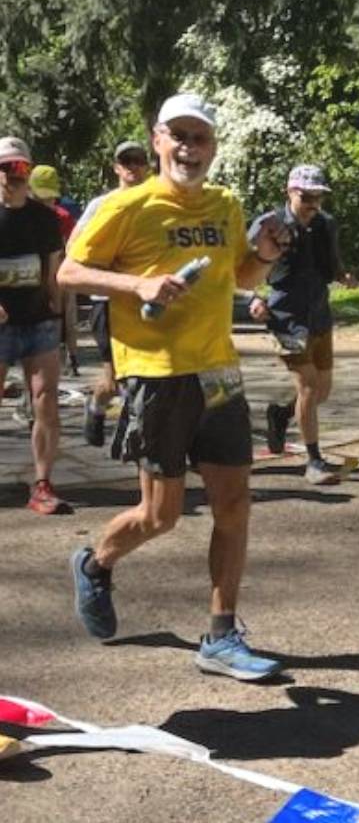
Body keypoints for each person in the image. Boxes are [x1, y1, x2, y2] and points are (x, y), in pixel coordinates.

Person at [59, 93, 289, 680]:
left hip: (218, 372)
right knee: (161, 515)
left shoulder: (225, 204)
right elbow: (68, 272)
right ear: (157, 140)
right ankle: (95, 563)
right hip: (156, 376)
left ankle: (221, 636)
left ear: (213, 147)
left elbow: (239, 275)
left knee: (234, 504)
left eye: (200, 138)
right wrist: (137, 285)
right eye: (178, 136)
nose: (189, 148)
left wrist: (264, 255)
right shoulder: (125, 205)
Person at [249, 165, 356, 485]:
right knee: (307, 386)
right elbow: (242, 267)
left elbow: (333, 264)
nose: (313, 204)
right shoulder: (269, 225)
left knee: (321, 391)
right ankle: (314, 461)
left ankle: (281, 414)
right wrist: (253, 298)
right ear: (289, 192)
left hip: (319, 315)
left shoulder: (327, 224)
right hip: (284, 318)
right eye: (306, 197)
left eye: (318, 197)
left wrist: (344, 276)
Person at [0, 139, 69, 515]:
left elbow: (53, 272)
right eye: (7, 167)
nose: (15, 175)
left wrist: (61, 317)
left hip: (39, 322)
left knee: (46, 399)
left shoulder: (45, 219)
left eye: (21, 167)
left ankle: (43, 484)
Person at [73, 140, 152, 446]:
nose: (132, 167)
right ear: (116, 168)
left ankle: (139, 436)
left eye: (138, 161)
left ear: (147, 166)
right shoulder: (102, 205)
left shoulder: (156, 203)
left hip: (147, 302)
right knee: (117, 376)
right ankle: (96, 404)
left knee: (145, 374)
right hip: (108, 302)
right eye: (126, 161)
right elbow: (74, 248)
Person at [29, 165, 80, 377]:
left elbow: (73, 245)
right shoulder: (24, 216)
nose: (46, 203)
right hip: (35, 276)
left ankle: (71, 356)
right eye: (41, 198)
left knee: (67, 313)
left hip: (62, 271)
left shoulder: (63, 217)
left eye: (49, 198)